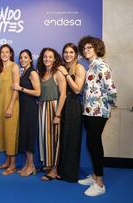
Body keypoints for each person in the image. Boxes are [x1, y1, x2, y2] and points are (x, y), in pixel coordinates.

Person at [77, 36, 117, 197]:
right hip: (88, 111)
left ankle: (99, 183)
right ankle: (94, 175)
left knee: (94, 144)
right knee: (92, 143)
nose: (86, 50)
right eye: (84, 48)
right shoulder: (91, 66)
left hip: (98, 112)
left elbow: (111, 90)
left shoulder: (101, 65)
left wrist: (107, 106)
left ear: (97, 48)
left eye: (89, 48)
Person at [57, 43, 86, 182]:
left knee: (72, 140)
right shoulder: (63, 67)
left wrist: (66, 74)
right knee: (63, 139)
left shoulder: (79, 68)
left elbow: (77, 90)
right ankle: (61, 171)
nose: (68, 55)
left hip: (73, 106)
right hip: (62, 105)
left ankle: (70, 174)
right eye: (66, 52)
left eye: (71, 52)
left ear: (76, 54)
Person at [37, 48, 66, 181]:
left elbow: (63, 95)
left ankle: (55, 170)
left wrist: (58, 114)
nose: (47, 59)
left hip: (53, 108)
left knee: (54, 139)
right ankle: (49, 165)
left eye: (50, 57)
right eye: (45, 57)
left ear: (55, 59)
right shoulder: (42, 73)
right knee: (46, 138)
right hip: (42, 107)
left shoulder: (58, 73)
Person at [13, 49, 41, 176]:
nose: (22, 60)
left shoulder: (32, 73)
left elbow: (38, 92)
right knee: (25, 136)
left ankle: (32, 166)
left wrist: (21, 88)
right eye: (21, 57)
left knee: (29, 137)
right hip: (23, 108)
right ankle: (28, 164)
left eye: (25, 57)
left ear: (30, 59)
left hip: (30, 109)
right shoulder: (24, 72)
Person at [0, 44, 20, 175]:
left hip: (12, 104)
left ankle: (13, 164)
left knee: (11, 133)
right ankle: (7, 162)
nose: (4, 54)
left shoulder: (14, 67)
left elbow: (16, 88)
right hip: (1, 103)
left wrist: (10, 106)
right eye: (2, 52)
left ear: (11, 54)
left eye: (7, 52)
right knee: (3, 133)